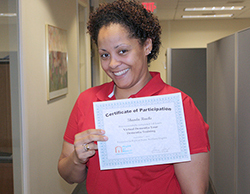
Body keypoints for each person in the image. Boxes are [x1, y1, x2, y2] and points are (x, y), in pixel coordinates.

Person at [58, 0, 210, 193]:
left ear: (147, 46)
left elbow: (194, 190)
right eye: (105, 55)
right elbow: (68, 175)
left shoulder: (178, 106)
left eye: (123, 51)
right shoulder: (87, 101)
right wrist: (77, 159)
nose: (113, 64)